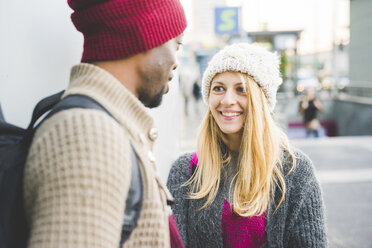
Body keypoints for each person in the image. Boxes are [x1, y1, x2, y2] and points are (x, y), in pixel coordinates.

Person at [23, 0, 187, 247]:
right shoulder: (89, 134)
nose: (176, 60)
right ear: (146, 33)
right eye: (177, 43)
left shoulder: (108, 124)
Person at [167, 43, 327, 247]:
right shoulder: (185, 171)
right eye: (218, 88)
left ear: (261, 100)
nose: (227, 100)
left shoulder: (295, 171)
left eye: (241, 89)